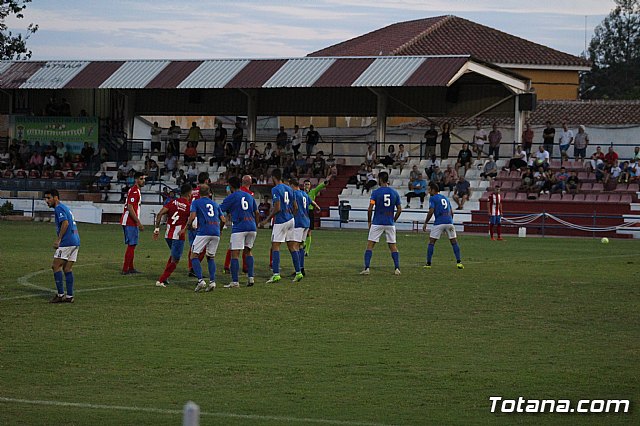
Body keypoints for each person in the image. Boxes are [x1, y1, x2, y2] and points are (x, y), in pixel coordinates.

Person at [259, 169, 302, 283]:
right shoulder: (289, 188)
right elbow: (296, 207)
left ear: (274, 177)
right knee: (292, 247)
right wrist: (291, 216)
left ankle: (276, 274)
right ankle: (298, 272)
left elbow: (277, 207)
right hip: (291, 219)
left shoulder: (275, 189)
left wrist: (267, 220)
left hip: (281, 220)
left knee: (275, 246)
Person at [219, 176, 259, 288]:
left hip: (239, 227)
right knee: (248, 251)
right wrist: (256, 225)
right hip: (251, 226)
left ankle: (235, 281)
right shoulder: (249, 196)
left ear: (231, 186)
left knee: (235, 254)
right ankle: (251, 278)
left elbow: (219, 210)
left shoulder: (231, 197)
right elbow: (256, 212)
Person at [360, 171, 402, 276]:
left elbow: (370, 208)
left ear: (380, 179)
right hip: (389, 223)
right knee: (393, 246)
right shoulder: (394, 193)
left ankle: (367, 268)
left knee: (370, 245)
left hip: (377, 222)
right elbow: (400, 209)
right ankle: (397, 268)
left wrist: (369, 221)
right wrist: (394, 219)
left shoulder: (376, 193)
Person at [185, 185, 224, 292]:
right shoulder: (215, 204)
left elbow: (192, 217)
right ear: (209, 193)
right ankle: (212, 282)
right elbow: (223, 219)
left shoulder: (196, 202)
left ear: (198, 193)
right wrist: (220, 230)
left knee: (193, 255)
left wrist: (188, 226)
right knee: (210, 257)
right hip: (215, 232)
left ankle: (200, 280)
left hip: (204, 231)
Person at [153, 183, 192, 287]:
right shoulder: (188, 207)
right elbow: (191, 222)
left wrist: (156, 229)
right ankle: (161, 280)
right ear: (189, 194)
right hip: (179, 236)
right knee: (176, 259)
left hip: (168, 235)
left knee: (173, 255)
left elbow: (160, 214)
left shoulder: (172, 202)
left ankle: (165, 278)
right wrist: (186, 229)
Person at [44, 189, 80, 303]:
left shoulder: (59, 208)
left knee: (55, 266)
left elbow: (65, 223)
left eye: (48, 198)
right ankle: (69, 296)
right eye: (45, 198)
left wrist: (58, 239)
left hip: (67, 242)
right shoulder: (65, 207)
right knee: (67, 268)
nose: (46, 201)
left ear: (55, 197)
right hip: (75, 241)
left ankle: (60, 295)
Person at [422, 182, 463, 269]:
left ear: (433, 190)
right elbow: (452, 212)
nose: (429, 191)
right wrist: (449, 222)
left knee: (432, 242)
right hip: (449, 221)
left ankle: (428, 264)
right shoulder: (445, 198)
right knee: (454, 242)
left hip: (439, 222)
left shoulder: (433, 198)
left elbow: (431, 211)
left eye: (429, 189)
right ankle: (459, 262)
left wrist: (425, 222)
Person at [223, 175, 254, 274]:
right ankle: (249, 273)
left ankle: (228, 268)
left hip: (239, 224)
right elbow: (255, 211)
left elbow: (223, 208)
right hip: (251, 224)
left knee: (234, 249)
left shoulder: (235, 194)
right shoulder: (250, 194)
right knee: (248, 250)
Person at [291, 178, 319, 277]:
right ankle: (301, 268)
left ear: (292, 185)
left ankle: (298, 270)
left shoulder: (295, 194)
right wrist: (317, 207)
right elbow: (312, 202)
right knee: (301, 246)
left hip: (299, 222)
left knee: (294, 246)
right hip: (306, 221)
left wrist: (292, 215)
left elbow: (295, 207)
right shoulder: (304, 194)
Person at [120, 172, 145, 274]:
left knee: (132, 245)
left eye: (143, 178)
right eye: (141, 178)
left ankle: (130, 267)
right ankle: (126, 269)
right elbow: (130, 207)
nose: (143, 180)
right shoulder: (134, 191)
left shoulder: (135, 190)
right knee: (131, 245)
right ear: (136, 180)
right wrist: (138, 222)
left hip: (130, 221)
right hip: (130, 221)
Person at [187, 172, 210, 277]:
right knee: (202, 247)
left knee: (193, 246)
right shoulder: (204, 192)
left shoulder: (192, 192)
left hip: (191, 219)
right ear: (206, 181)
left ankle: (191, 268)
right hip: (199, 221)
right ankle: (193, 268)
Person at [303, 177, 327, 256]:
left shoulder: (313, 192)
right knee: (302, 230)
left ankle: (307, 250)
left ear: (310, 186)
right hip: (302, 213)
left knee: (309, 231)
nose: (307, 186)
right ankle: (303, 244)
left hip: (310, 212)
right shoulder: (300, 193)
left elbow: (320, 187)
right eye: (306, 184)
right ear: (303, 186)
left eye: (308, 184)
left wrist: (326, 181)